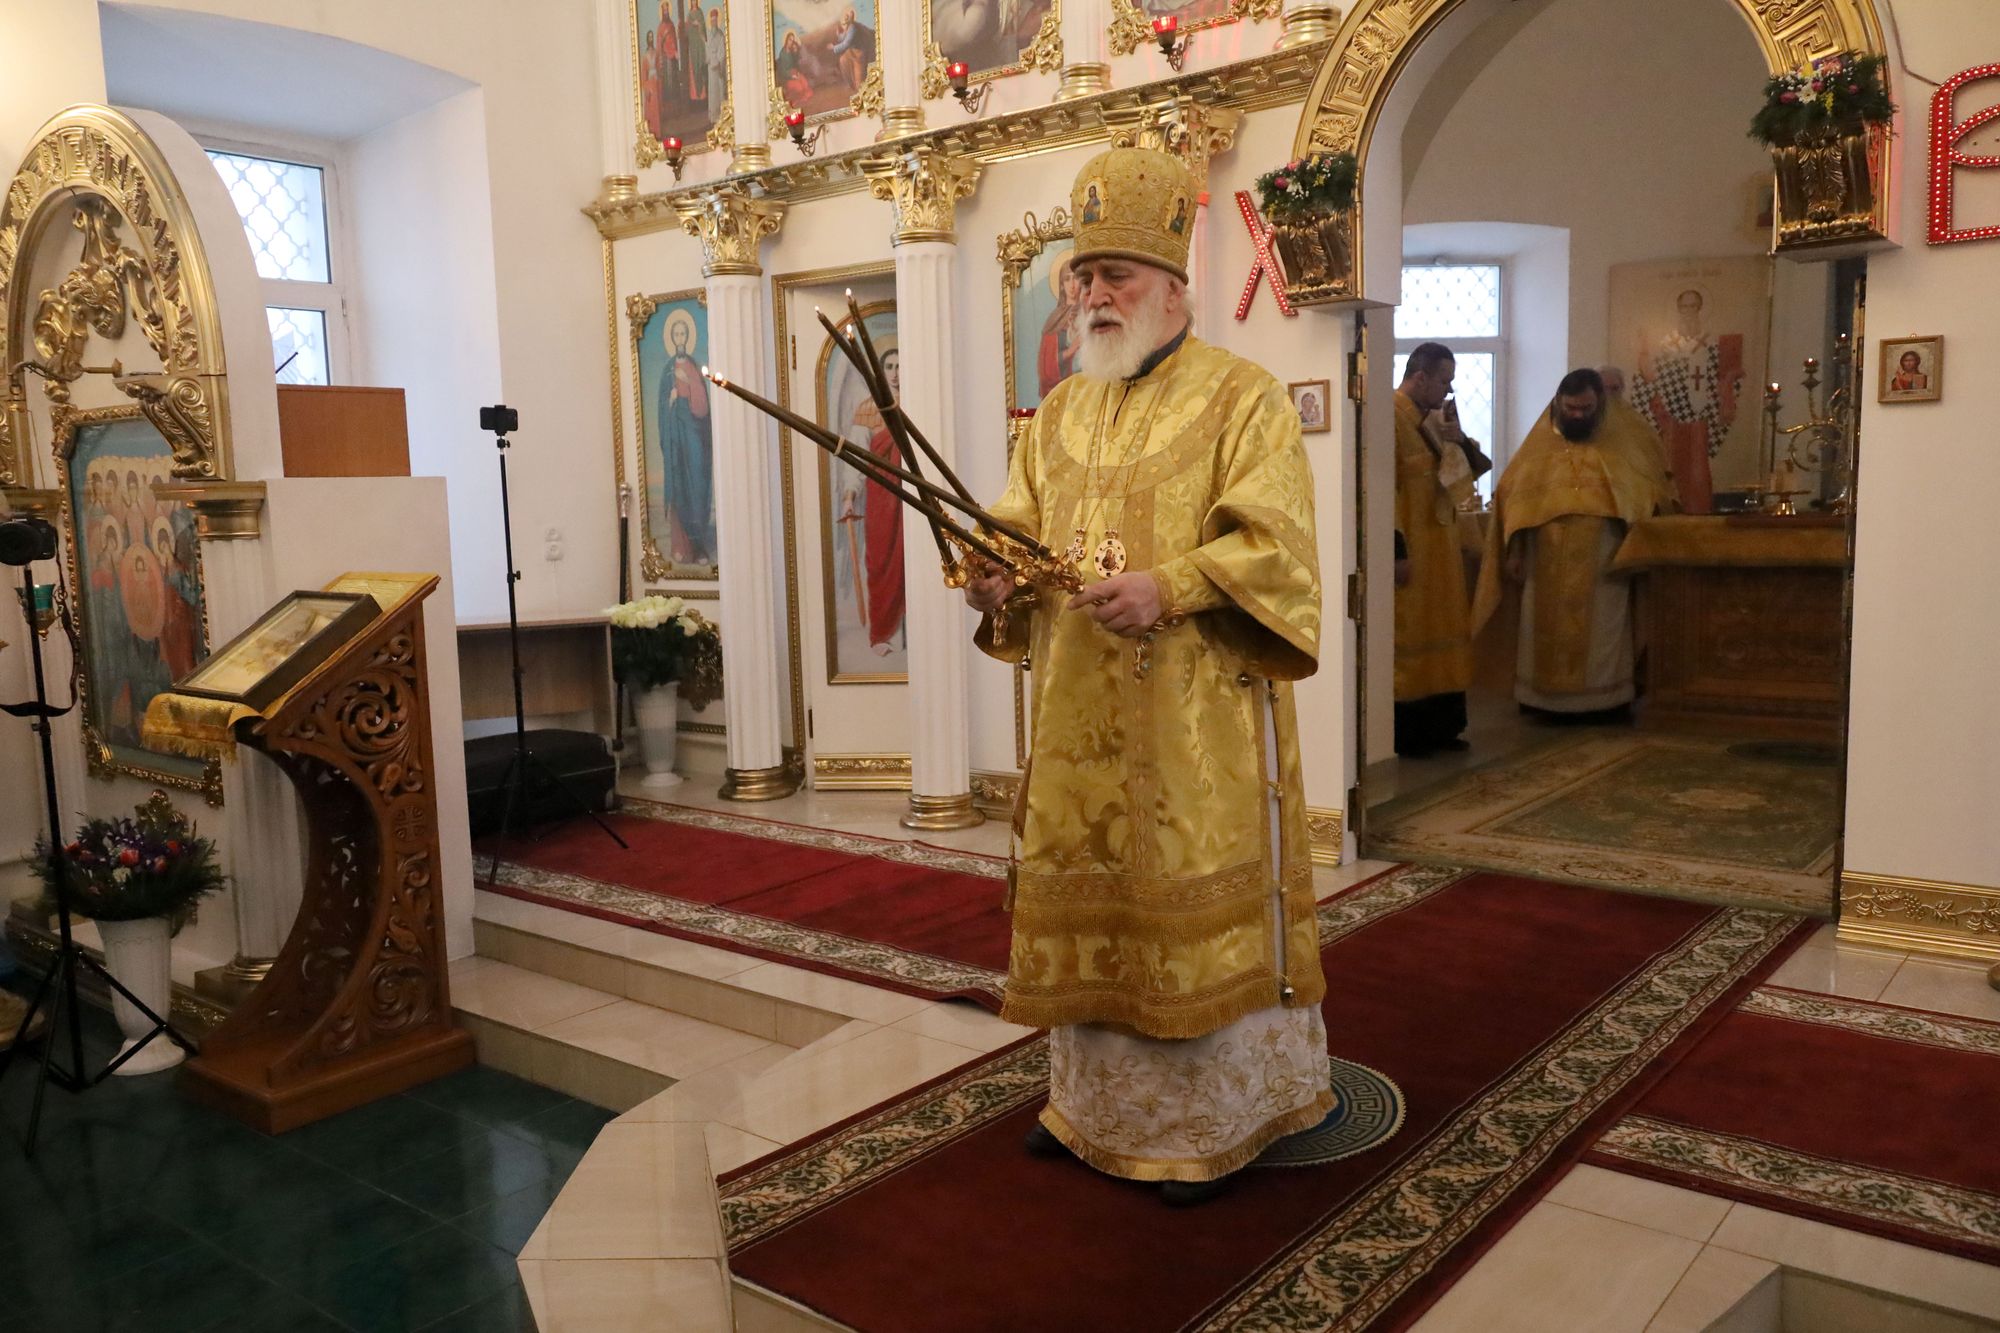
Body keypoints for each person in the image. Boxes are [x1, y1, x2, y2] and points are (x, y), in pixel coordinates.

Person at [963, 146, 1330, 1205]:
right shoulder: (1061, 410)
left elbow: (1277, 547)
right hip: (1078, 720)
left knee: (1178, 911)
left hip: (1194, 727)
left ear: (1172, 285)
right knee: (1093, 904)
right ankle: (1090, 1107)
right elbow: (1017, 521)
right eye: (1083, 276)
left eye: (1115, 275)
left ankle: (1209, 1121)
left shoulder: (1243, 399)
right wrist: (990, 572)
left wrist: (1169, 587)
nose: (1093, 294)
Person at [1472, 368, 1674, 721]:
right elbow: (1513, 499)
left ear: (1600, 405)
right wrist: (1516, 549)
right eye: (1570, 408)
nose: (1577, 415)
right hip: (1544, 556)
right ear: (1558, 403)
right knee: (1541, 630)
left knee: (1603, 631)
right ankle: (1541, 700)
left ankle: (1603, 701)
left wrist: (1640, 541)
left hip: (1606, 555)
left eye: (1585, 408)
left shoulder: (1627, 440)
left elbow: (1654, 491)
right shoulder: (1539, 444)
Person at [1391, 343, 1475, 756]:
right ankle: (1411, 734)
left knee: (1445, 628)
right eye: (1444, 381)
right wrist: (1395, 551)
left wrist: (1458, 441)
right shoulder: (1388, 417)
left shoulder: (1435, 419)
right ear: (1420, 377)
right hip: (1413, 546)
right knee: (1411, 631)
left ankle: (1444, 726)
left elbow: (1462, 478)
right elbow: (1382, 490)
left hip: (1441, 545)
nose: (1448, 390)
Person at [1630, 289, 1743, 515]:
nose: (1688, 311)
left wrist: (1724, 390)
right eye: (1684, 306)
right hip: (1670, 423)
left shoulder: (1712, 343)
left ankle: (1699, 510)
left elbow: (1726, 379)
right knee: (1670, 467)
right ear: (1678, 309)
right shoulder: (1666, 346)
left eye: (1693, 306)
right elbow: (1648, 379)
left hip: (1700, 421)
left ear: (1700, 308)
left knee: (1698, 470)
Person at [841, 343, 905, 656]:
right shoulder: (868, 409)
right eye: (889, 367)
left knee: (910, 562)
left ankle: (913, 631)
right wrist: (850, 495)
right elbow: (855, 456)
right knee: (880, 562)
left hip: (911, 498)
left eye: (900, 366)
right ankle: (881, 634)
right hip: (881, 498)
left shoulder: (915, 405)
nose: (895, 373)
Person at [658, 315, 717, 565]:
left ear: (687, 337)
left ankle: (699, 545)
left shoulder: (693, 367)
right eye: (677, 334)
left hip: (694, 432)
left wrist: (689, 383)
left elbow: (703, 408)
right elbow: (662, 406)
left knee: (697, 485)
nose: (680, 338)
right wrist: (670, 400)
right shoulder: (668, 370)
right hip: (676, 434)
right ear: (672, 339)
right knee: (680, 485)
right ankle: (681, 545)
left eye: (683, 334)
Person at [1036, 254, 1080, 397]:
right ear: (1061, 285)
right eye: (1067, 279)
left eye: (1076, 278)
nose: (1072, 284)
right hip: (1060, 392)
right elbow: (1046, 367)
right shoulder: (1054, 320)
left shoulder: (1090, 314)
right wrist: (1071, 351)